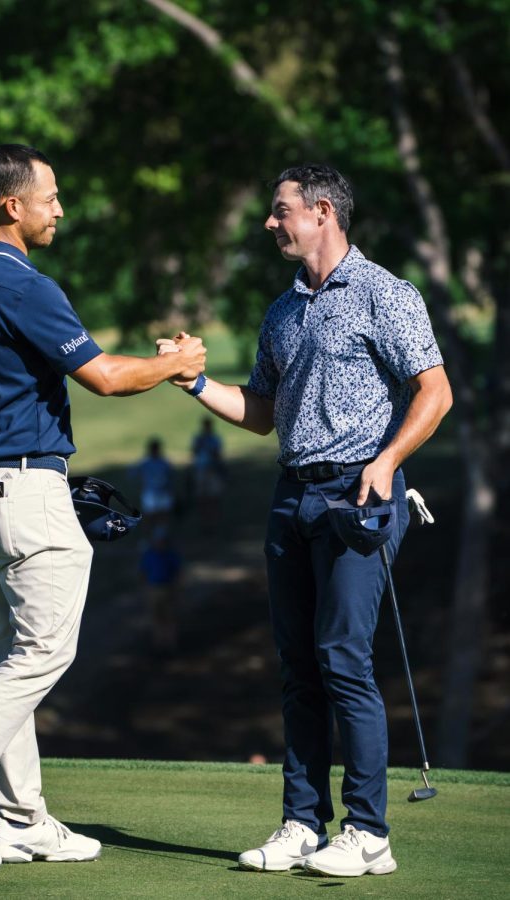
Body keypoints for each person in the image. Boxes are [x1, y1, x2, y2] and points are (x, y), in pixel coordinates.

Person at [0, 144, 206, 872]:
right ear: (12, 206)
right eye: (51, 197)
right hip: (25, 490)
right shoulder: (23, 284)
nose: (59, 209)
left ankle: (22, 818)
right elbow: (103, 377)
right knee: (44, 653)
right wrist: (177, 365)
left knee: (12, 656)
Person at [159, 164, 452, 878]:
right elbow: (260, 413)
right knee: (297, 668)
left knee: (342, 658)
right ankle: (301, 822)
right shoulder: (282, 310)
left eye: (279, 210)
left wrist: (385, 464)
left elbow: (434, 393)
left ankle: (368, 833)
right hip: (291, 497)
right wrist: (193, 381)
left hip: (359, 498)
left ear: (321, 212)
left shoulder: (385, 293)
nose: (269, 222)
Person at [139, 525, 183, 653]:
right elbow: (142, 573)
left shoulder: (170, 555)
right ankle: (158, 643)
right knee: (155, 617)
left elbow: (178, 573)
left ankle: (171, 643)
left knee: (169, 617)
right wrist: (144, 589)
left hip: (167, 588)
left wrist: (178, 589)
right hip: (154, 589)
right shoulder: (149, 555)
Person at [130, 437, 175, 530]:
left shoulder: (164, 462)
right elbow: (133, 473)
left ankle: (161, 535)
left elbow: (170, 477)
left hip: (163, 492)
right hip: (150, 492)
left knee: (163, 515)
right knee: (149, 516)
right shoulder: (145, 462)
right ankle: (150, 536)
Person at [189, 417, 225, 522]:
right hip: (201, 470)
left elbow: (218, 454)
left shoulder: (215, 439)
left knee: (214, 497)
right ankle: (205, 520)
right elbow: (194, 452)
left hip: (213, 470)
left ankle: (214, 519)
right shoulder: (199, 439)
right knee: (202, 497)